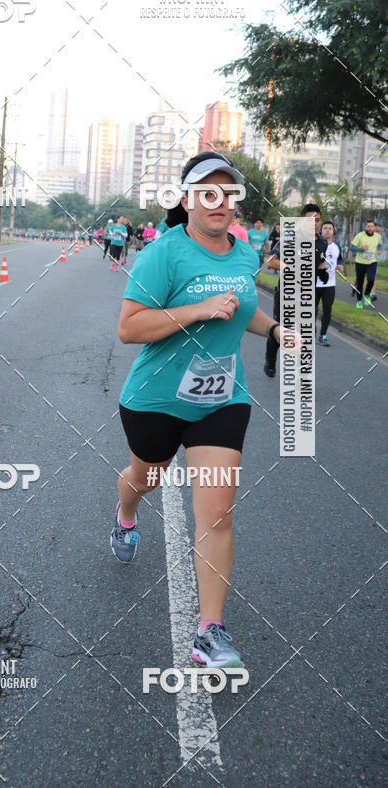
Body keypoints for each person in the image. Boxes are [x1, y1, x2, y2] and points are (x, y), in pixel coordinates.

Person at [112, 150, 299, 668]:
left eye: (228, 193)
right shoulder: (163, 254)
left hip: (221, 399)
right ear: (188, 199)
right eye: (208, 192)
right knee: (145, 478)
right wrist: (197, 310)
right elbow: (129, 328)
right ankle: (126, 513)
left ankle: (209, 633)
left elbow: (243, 306)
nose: (220, 203)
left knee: (217, 512)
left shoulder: (243, 253)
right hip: (156, 398)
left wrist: (277, 330)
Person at [264, 203, 327, 377]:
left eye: (317, 220)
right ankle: (270, 359)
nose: (314, 223)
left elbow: (319, 261)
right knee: (282, 331)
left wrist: (322, 272)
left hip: (307, 295)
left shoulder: (322, 243)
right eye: (310, 220)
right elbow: (271, 262)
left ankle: (303, 372)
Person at [316, 221, 343, 346]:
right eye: (325, 228)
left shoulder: (337, 246)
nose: (327, 230)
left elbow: (340, 259)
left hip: (329, 285)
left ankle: (323, 335)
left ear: (333, 231)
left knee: (327, 310)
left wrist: (340, 266)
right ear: (321, 230)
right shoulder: (316, 244)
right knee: (311, 311)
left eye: (330, 228)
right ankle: (309, 334)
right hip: (314, 284)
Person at [351, 219, 382, 309]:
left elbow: (379, 245)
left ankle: (367, 295)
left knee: (371, 279)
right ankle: (359, 301)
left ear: (374, 228)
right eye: (368, 226)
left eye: (371, 226)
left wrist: (379, 250)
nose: (370, 228)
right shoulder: (360, 236)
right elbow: (352, 248)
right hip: (360, 262)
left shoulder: (377, 236)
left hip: (372, 262)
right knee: (360, 282)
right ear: (366, 227)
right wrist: (361, 249)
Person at [370, 224, 382, 299]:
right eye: (377, 230)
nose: (378, 232)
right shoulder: (368, 236)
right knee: (360, 277)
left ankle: (372, 293)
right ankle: (355, 287)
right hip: (365, 260)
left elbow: (380, 248)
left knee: (373, 277)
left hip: (374, 260)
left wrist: (379, 252)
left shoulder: (379, 238)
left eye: (379, 231)